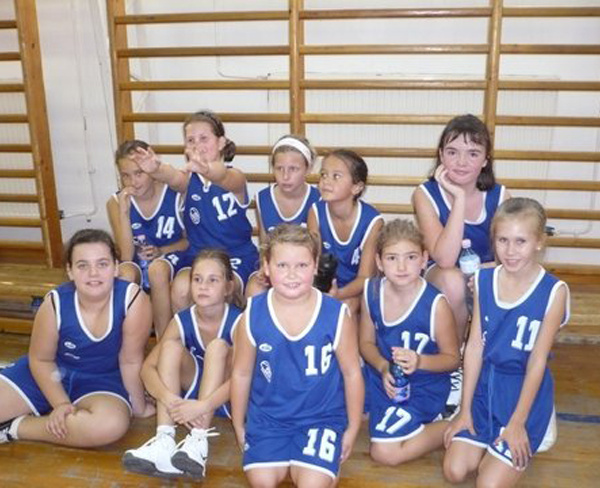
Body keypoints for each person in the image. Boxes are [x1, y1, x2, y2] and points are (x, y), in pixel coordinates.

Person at [442, 198, 570, 487]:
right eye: (502, 240)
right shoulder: (483, 279)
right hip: (485, 389)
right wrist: (464, 410)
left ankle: (537, 426)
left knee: (488, 484)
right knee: (454, 471)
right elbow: (474, 347)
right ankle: (486, 438)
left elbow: (537, 361)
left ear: (539, 242)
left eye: (520, 241)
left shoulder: (555, 291)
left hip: (522, 393)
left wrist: (517, 423)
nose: (510, 251)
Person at [231, 224, 364, 488]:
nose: (292, 274)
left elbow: (352, 373)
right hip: (268, 419)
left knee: (312, 484)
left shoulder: (336, 314)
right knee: (262, 482)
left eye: (302, 265)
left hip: (321, 418)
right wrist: (238, 424)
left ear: (315, 266)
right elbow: (241, 373)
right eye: (282, 265)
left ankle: (320, 465)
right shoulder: (253, 313)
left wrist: (353, 429)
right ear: (266, 267)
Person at [0, 229, 154, 448]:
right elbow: (41, 360)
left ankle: (16, 427)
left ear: (115, 267)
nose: (93, 273)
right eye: (82, 265)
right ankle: (47, 409)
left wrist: (139, 406)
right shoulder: (54, 303)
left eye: (102, 264)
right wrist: (60, 403)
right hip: (50, 373)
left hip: (102, 381)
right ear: (70, 271)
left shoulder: (133, 300)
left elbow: (130, 360)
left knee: (108, 426)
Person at [122, 249, 242, 479]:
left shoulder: (240, 321)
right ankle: (164, 439)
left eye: (213, 280)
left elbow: (243, 377)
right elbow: (147, 369)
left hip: (226, 398)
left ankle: (198, 442)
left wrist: (204, 406)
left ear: (228, 287)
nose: (203, 286)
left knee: (217, 347)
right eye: (197, 279)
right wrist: (170, 399)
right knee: (169, 347)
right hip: (188, 401)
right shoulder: (182, 319)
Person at [131, 109, 258, 310]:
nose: (197, 145)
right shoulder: (188, 181)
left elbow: (222, 176)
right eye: (191, 140)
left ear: (221, 142)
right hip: (198, 254)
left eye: (203, 138)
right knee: (178, 286)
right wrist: (156, 169)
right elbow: (172, 176)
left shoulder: (236, 177)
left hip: (234, 254)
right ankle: (171, 330)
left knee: (221, 288)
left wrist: (206, 169)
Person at [360, 219, 460, 466]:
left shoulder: (436, 305)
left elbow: (452, 359)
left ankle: (451, 425)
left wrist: (420, 361)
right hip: (380, 377)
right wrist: (383, 367)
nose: (402, 266)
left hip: (422, 386)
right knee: (329, 409)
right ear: (379, 262)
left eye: (411, 257)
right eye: (392, 258)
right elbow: (365, 343)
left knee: (385, 453)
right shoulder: (372, 291)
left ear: (424, 259)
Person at [412, 114, 510, 342]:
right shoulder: (424, 194)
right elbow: (445, 259)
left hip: (486, 269)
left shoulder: (501, 196)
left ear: (485, 160)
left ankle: (490, 348)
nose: (461, 162)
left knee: (516, 275)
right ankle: (453, 354)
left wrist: (484, 273)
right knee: (454, 281)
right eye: (452, 152)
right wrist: (459, 198)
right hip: (442, 274)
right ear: (441, 155)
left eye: (473, 154)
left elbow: (513, 255)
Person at [107, 139, 188, 337]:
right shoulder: (116, 202)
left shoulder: (175, 195)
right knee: (124, 274)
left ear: (150, 170)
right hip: (138, 263)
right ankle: (126, 341)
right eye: (125, 176)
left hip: (172, 260)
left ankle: (163, 339)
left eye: (139, 173)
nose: (133, 182)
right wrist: (124, 213)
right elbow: (126, 256)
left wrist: (162, 251)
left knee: (157, 270)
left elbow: (190, 241)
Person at [307, 149, 383, 315]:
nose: (326, 181)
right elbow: (312, 262)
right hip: (324, 286)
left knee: (347, 307)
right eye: (323, 174)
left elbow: (365, 278)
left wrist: (338, 294)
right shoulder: (316, 212)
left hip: (357, 289)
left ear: (356, 187)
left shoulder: (372, 221)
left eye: (336, 176)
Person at [246, 134, 320, 297]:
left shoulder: (318, 200)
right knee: (255, 289)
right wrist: (264, 268)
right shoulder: (263, 198)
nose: (285, 176)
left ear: (308, 168)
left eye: (293, 169)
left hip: (305, 271)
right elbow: (265, 244)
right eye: (279, 168)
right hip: (277, 268)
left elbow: (318, 251)